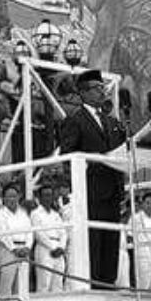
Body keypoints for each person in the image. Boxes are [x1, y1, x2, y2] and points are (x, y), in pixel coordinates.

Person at [58, 69, 126, 287]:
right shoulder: (75, 120)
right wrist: (91, 159)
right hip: (91, 188)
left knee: (111, 239)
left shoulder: (112, 122)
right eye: (97, 88)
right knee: (94, 238)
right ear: (83, 93)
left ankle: (109, 282)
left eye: (102, 87)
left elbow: (120, 150)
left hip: (112, 188)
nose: (102, 92)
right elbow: (67, 155)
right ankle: (95, 283)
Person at [0, 184, 32, 299]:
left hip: (24, 249)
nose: (11, 199)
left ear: (18, 197)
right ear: (4, 198)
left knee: (22, 285)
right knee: (6, 284)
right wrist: (14, 249)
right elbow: (3, 234)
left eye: (14, 196)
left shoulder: (23, 213)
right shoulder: (0, 214)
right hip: (8, 249)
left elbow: (30, 232)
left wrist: (28, 247)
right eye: (8, 196)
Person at [31, 184, 67, 293]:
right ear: (40, 198)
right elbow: (38, 234)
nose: (48, 198)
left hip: (59, 249)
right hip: (44, 249)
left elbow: (63, 233)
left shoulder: (55, 214)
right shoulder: (35, 213)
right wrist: (52, 247)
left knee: (58, 283)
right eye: (45, 195)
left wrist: (61, 247)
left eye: (50, 195)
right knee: (44, 283)